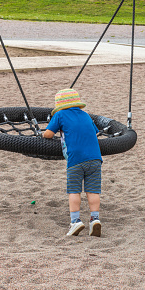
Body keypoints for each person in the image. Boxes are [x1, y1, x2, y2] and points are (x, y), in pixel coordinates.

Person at [43, 89, 102, 237]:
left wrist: (43, 133)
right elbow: (95, 133)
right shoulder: (86, 115)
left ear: (60, 106)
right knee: (93, 191)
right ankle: (95, 219)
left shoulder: (60, 115)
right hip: (95, 159)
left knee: (74, 191)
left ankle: (75, 221)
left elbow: (49, 134)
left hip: (75, 160)